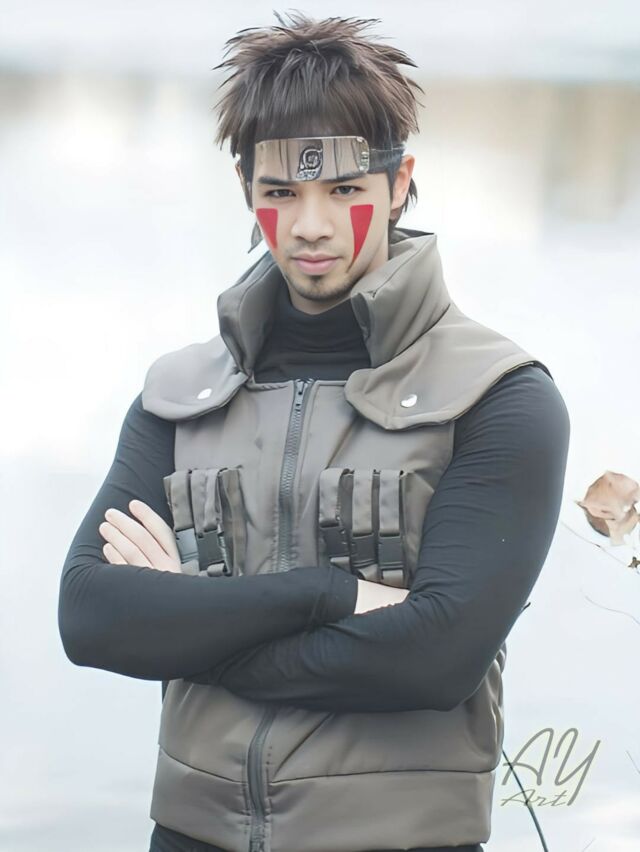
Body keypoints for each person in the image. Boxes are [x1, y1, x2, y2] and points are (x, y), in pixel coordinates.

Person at [58, 12, 570, 852]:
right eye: (281, 193)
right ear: (245, 189)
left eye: (344, 191)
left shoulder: (498, 397)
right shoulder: (179, 397)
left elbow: (435, 660)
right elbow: (89, 618)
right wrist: (326, 597)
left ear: (399, 183)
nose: (310, 226)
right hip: (188, 833)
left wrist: (184, 625)